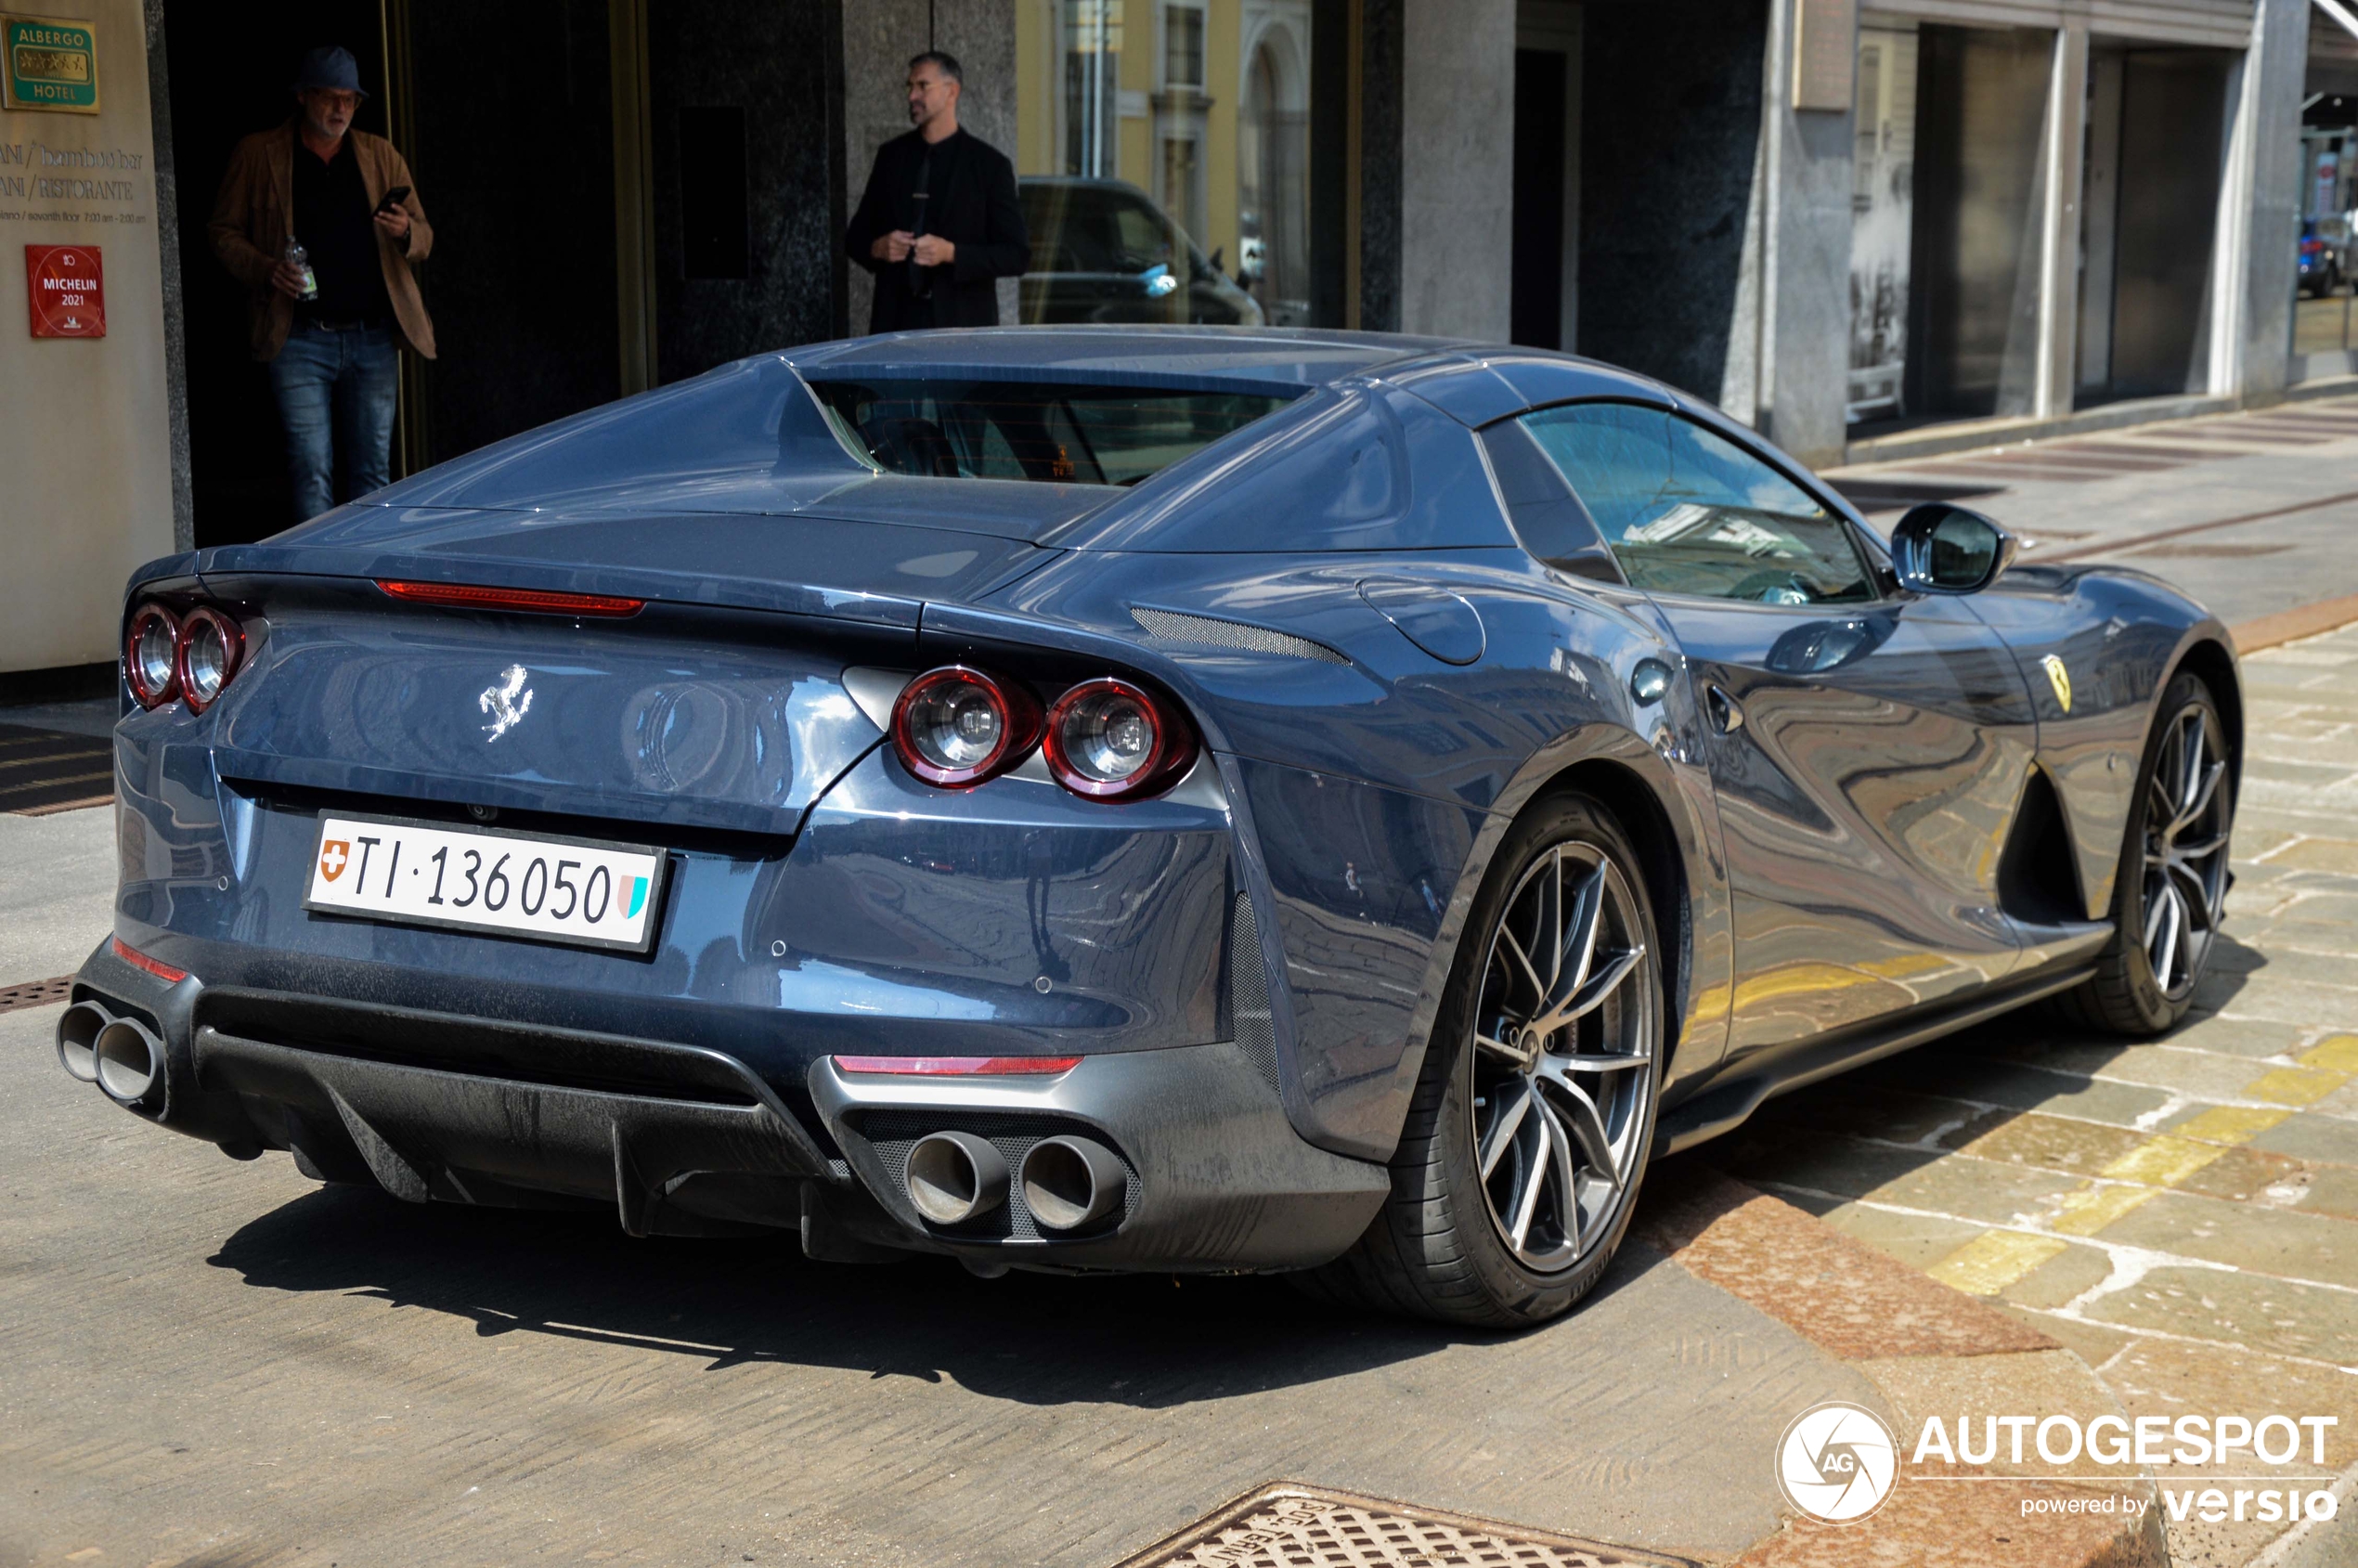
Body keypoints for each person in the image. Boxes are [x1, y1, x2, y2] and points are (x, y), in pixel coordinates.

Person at [209, 45, 434, 522]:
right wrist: (267, 267)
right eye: (330, 99)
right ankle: (316, 579)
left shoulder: (379, 155)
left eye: (350, 100)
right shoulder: (259, 153)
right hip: (299, 338)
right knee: (311, 469)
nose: (340, 110)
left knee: (374, 471)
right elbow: (222, 233)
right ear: (304, 98)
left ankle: (368, 571)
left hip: (372, 336)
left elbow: (426, 236)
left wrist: (405, 231)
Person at [845, 51, 1027, 332]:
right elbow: (854, 238)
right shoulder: (891, 157)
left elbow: (1016, 255)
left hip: (962, 328)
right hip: (895, 325)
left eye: (922, 86)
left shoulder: (989, 165)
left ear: (951, 91)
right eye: (910, 86)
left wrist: (952, 253)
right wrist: (878, 248)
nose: (912, 95)